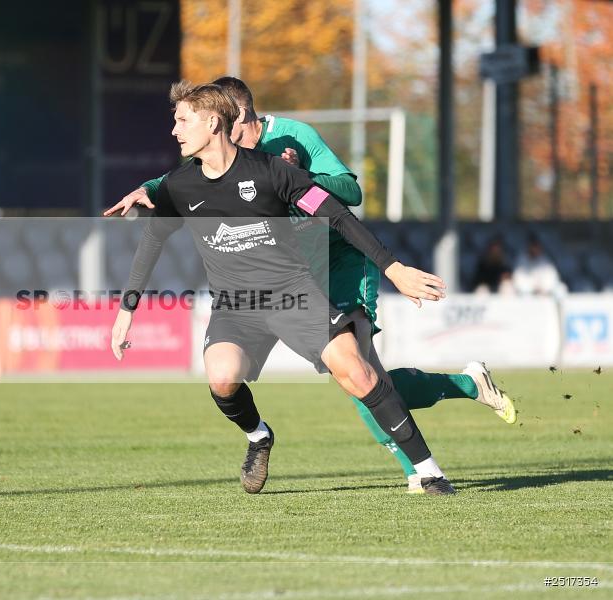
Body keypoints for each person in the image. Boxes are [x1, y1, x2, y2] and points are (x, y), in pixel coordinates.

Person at [106, 77, 515, 494]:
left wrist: (393, 269)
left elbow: (339, 214)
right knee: (223, 379)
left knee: (358, 373)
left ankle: (428, 471)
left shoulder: (274, 170)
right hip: (236, 305)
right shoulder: (180, 184)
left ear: (213, 122)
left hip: (295, 293)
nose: (174, 130)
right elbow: (153, 239)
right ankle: (258, 437)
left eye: (181, 120)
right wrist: (127, 310)